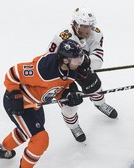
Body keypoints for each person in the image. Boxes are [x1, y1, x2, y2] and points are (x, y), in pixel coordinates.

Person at [0, 39, 86, 168]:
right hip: (18, 104)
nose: (79, 62)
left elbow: (60, 88)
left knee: (29, 132)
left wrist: (70, 94)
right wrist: (15, 95)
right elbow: (13, 73)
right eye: (76, 59)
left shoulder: (70, 69)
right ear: (65, 60)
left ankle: (3, 149)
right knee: (40, 139)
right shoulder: (43, 70)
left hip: (35, 103)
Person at [47, 7, 118, 142]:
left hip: (82, 67)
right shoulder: (62, 36)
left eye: (90, 26)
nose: (88, 30)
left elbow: (97, 61)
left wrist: (84, 62)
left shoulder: (96, 34)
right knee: (69, 105)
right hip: (64, 71)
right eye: (84, 26)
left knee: (95, 87)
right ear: (75, 24)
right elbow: (49, 58)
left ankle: (100, 104)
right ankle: (74, 127)